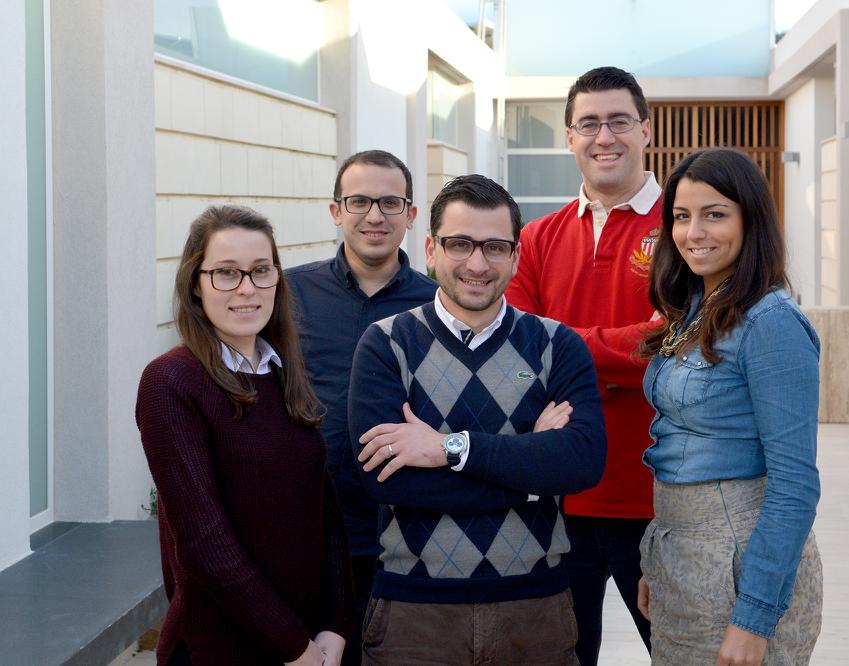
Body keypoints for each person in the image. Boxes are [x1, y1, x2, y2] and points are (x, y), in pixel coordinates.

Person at [348, 175, 608, 665]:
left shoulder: (558, 345)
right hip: (415, 614)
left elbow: (581, 463)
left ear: (516, 255)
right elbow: (387, 481)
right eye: (460, 244)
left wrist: (447, 449)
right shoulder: (386, 344)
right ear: (431, 249)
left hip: (536, 611)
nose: (477, 263)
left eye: (494, 246)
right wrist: (530, 477)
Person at [136, 205, 353, 666]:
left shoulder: (283, 370)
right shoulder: (171, 382)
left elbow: (325, 512)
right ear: (196, 283)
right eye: (227, 273)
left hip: (311, 643)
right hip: (220, 649)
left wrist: (335, 627)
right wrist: (296, 648)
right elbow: (204, 543)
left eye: (261, 270)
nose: (247, 288)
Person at [636, 148, 824, 666]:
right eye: (681, 216)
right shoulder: (697, 307)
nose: (693, 232)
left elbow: (795, 485)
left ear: (750, 220)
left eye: (714, 214)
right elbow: (680, 443)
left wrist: (754, 618)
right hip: (685, 562)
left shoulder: (771, 323)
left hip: (741, 571)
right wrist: (660, 558)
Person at [505, 65, 657, 664]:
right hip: (557, 498)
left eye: (619, 121)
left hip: (656, 498)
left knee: (677, 653)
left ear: (645, 129)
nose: (605, 137)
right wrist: (616, 359)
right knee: (563, 657)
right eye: (589, 124)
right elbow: (516, 348)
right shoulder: (537, 238)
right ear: (569, 137)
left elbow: (669, 344)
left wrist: (563, 356)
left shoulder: (683, 228)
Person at [285, 150, 437, 665]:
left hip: (406, 531)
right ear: (336, 211)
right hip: (309, 528)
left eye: (390, 203)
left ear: (411, 215)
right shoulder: (288, 294)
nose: (375, 215)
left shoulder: (439, 304)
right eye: (359, 202)